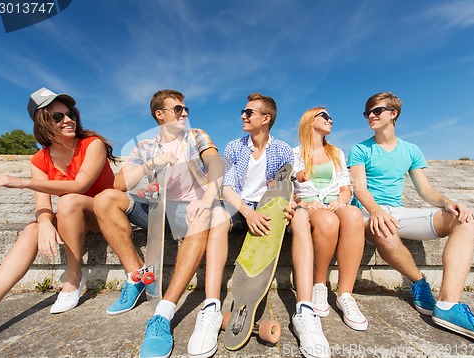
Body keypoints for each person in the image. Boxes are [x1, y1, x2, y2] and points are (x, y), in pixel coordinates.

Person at [347, 92, 474, 346]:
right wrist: (377, 212)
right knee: (384, 229)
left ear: (393, 114)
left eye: (377, 111)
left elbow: (425, 190)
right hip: (367, 212)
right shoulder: (360, 149)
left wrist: (448, 203)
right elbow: (360, 188)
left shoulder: (411, 150)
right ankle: (419, 282)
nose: (370, 115)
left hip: (398, 211)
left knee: (464, 220)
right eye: (367, 112)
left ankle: (448, 305)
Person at [93, 89, 223, 358]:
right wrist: (153, 162)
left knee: (203, 216)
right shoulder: (145, 147)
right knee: (105, 199)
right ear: (160, 115)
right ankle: (136, 277)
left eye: (186, 109)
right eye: (178, 109)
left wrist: (208, 198)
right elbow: (119, 184)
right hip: (158, 211)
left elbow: (215, 163)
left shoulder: (196, 136)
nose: (184, 113)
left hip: (192, 209)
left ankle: (163, 314)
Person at [187, 93, 297, 358]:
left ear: (265, 118)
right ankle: (212, 306)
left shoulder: (282, 149)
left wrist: (289, 205)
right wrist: (248, 213)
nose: (243, 116)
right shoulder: (235, 146)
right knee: (215, 218)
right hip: (239, 207)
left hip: (267, 209)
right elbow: (227, 188)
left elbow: (285, 187)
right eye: (243, 112)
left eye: (249, 113)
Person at [0, 87, 116, 316]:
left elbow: (80, 186)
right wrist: (46, 224)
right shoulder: (40, 159)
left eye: (71, 115)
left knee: (69, 200)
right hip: (73, 220)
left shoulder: (92, 144)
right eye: (58, 117)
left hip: (105, 214)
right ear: (42, 123)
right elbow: (43, 205)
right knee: (32, 229)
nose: (68, 120)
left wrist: (21, 182)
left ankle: (73, 277)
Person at [292, 106, 368, 335]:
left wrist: (343, 200)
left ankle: (345, 295)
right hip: (311, 205)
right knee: (327, 221)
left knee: (354, 215)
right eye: (324, 116)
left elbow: (346, 186)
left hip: (335, 202)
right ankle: (319, 285)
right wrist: (304, 204)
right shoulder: (295, 153)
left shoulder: (336, 152)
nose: (330, 119)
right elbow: (289, 188)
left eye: (330, 116)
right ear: (309, 121)